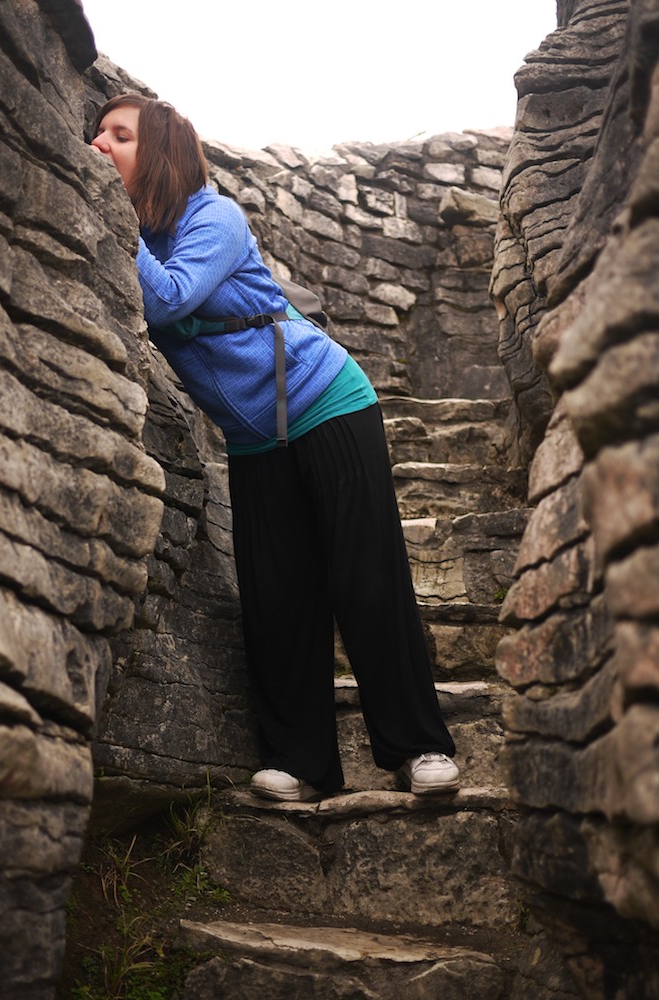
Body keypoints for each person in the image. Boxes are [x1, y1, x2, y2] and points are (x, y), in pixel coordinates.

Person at [91, 94, 459, 801]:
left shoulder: (212, 217)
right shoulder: (136, 234)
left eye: (120, 135)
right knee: (277, 596)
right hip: (255, 439)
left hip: (328, 403)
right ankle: (302, 764)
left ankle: (418, 747)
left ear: (160, 152)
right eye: (97, 133)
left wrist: (108, 210)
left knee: (366, 578)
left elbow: (168, 298)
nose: (100, 144)